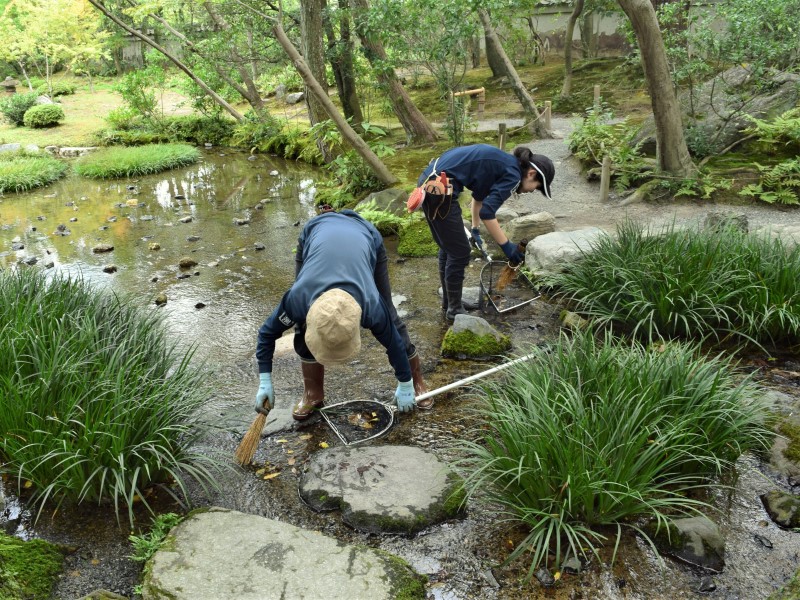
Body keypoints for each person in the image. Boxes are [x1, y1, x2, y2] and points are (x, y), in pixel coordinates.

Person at [254, 208, 430, 420]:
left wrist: (406, 383)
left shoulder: (371, 305)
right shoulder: (298, 299)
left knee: (391, 317)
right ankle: (313, 394)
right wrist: (264, 381)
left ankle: (418, 380)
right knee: (302, 325)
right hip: (316, 231)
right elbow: (266, 334)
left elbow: (393, 342)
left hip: (365, 235)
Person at [416, 144, 555, 320]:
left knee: (449, 248)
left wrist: (475, 228)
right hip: (440, 188)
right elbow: (487, 213)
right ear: (531, 174)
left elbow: (478, 198)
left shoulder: (504, 165)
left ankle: (451, 302)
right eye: (536, 187)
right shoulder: (513, 175)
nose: (531, 191)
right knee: (459, 252)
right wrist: (507, 246)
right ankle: (454, 309)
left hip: (430, 183)